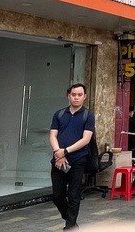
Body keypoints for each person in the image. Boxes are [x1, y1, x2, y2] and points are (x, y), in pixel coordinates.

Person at [49, 83, 95, 230]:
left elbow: (86, 139)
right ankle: (71, 220)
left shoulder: (88, 115)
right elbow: (52, 135)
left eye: (79, 95)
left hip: (78, 160)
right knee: (57, 196)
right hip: (58, 160)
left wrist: (65, 151)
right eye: (73, 94)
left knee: (74, 195)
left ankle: (69, 227)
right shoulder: (59, 114)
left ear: (84, 96)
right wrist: (58, 152)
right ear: (68, 96)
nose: (76, 97)